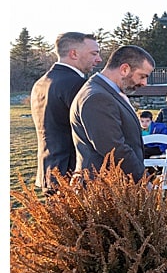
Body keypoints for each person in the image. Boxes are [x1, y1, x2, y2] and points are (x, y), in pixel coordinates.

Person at [30, 32, 103, 192]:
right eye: (94, 53)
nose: (99, 59)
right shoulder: (78, 85)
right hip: (73, 175)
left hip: (48, 172)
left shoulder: (40, 84)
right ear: (74, 53)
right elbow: (93, 132)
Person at [69, 45, 154, 182]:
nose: (144, 83)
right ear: (124, 69)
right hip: (103, 190)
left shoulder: (107, 92)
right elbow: (114, 149)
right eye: (142, 76)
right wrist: (142, 181)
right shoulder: (97, 98)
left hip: (113, 188)